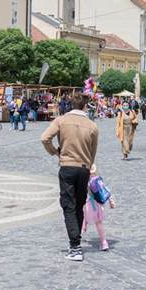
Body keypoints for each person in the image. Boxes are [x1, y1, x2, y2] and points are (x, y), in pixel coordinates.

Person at [41, 93, 99, 262]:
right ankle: (76, 242)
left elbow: (44, 138)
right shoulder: (92, 125)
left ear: (71, 105)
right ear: (85, 106)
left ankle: (75, 246)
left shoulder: (61, 120)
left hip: (67, 166)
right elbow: (93, 151)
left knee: (68, 205)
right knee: (79, 204)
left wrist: (55, 152)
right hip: (83, 168)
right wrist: (89, 165)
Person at [83, 164, 116, 252]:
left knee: (83, 214)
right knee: (99, 223)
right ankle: (104, 242)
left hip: (89, 203)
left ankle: (82, 228)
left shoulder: (85, 180)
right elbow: (105, 189)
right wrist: (111, 200)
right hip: (99, 205)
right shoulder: (97, 179)